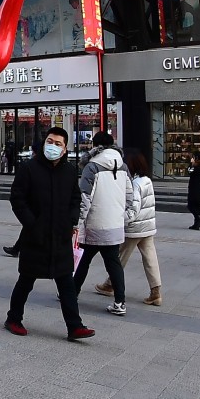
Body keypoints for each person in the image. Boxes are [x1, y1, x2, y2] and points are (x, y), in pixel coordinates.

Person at [5, 126, 94, 341]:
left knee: (66, 283)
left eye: (58, 144)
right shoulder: (29, 168)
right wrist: (31, 223)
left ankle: (75, 326)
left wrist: (72, 220)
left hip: (60, 235)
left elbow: (75, 197)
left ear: (65, 149)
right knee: (26, 280)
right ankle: (13, 319)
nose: (52, 146)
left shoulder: (70, 170)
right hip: (36, 235)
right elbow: (17, 198)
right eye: (50, 141)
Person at [73, 130, 134, 317]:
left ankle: (71, 294)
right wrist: (126, 216)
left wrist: (77, 222)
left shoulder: (91, 167)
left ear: (95, 146)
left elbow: (84, 198)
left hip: (94, 224)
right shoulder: (123, 166)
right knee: (114, 264)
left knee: (83, 261)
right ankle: (120, 302)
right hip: (114, 225)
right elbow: (131, 195)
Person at [94, 151, 162, 306]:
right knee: (150, 259)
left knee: (119, 258)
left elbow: (133, 209)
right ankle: (155, 291)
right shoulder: (147, 180)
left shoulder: (136, 183)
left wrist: (120, 220)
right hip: (148, 227)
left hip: (135, 228)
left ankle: (110, 284)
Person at [187, 153, 200, 230]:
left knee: (190, 206)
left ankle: (198, 219)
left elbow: (189, 171)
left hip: (194, 189)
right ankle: (196, 224)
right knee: (197, 207)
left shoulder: (196, 168)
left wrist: (191, 164)